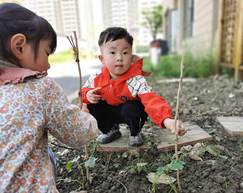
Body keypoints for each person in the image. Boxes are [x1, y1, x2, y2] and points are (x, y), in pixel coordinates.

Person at [0, 3, 99, 193]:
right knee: (49, 155)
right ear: (19, 46)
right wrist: (86, 115)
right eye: (47, 53)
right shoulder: (41, 87)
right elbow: (79, 133)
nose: (48, 65)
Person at [81, 27, 184, 147]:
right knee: (92, 103)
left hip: (129, 112)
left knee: (132, 108)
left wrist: (167, 120)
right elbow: (83, 92)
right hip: (110, 111)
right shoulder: (96, 78)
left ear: (132, 57)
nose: (119, 57)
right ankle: (110, 129)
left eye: (125, 53)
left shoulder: (136, 80)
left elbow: (152, 100)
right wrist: (87, 95)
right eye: (113, 52)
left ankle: (135, 132)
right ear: (102, 59)